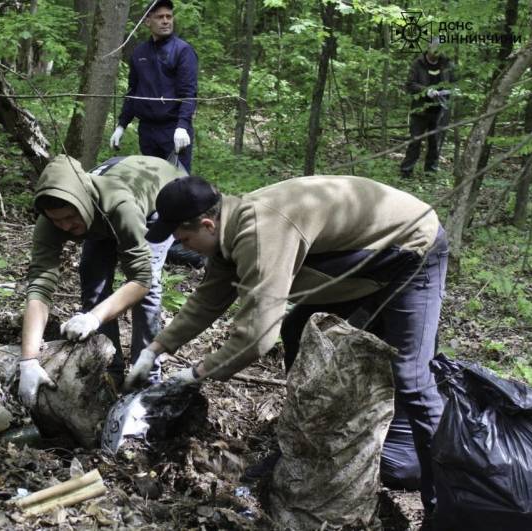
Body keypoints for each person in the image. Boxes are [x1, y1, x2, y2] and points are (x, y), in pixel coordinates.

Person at [126, 175, 448, 520]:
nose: (184, 247)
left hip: (412, 248)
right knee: (298, 328)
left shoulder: (261, 233)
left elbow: (257, 338)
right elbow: (208, 300)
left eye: (184, 239)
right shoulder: (226, 231)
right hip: (361, 257)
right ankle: (301, 443)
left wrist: (192, 375)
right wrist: (155, 349)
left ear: (207, 224)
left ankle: (447, 503)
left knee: (412, 376)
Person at [17, 154, 186, 408]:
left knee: (147, 291)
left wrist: (93, 318)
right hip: (98, 216)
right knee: (92, 276)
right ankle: (111, 369)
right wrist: (28, 360)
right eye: (57, 220)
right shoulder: (51, 217)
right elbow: (40, 284)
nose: (64, 226)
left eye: (69, 217)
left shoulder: (120, 205)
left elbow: (141, 280)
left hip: (159, 203)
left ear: (82, 204)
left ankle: (147, 377)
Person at [109, 0, 198, 172]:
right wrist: (121, 125)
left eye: (169, 16)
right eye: (160, 17)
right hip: (147, 131)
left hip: (173, 129)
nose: (166, 21)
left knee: (178, 186)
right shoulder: (139, 53)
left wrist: (182, 126)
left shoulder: (182, 51)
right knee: (151, 184)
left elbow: (189, 93)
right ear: (148, 21)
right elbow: (133, 92)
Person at [400, 38, 456, 179]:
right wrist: (426, 91)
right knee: (415, 141)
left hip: (440, 110)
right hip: (420, 109)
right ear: (429, 47)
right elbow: (410, 84)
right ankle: (406, 171)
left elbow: (455, 83)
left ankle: (430, 173)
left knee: (435, 143)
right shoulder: (418, 64)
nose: (436, 53)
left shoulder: (447, 64)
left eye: (440, 49)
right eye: (434, 48)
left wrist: (448, 92)